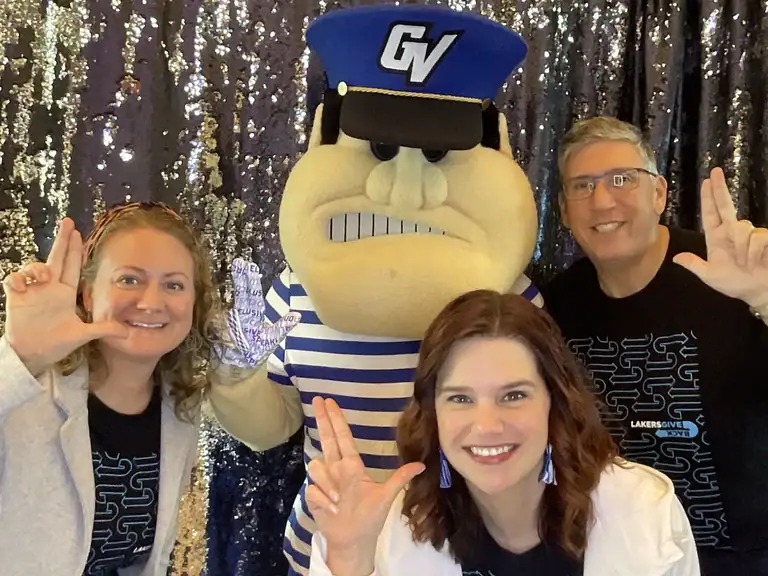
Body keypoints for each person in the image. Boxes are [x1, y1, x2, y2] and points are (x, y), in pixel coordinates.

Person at [203, 6, 544, 574]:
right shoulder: (294, 295)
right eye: (380, 149)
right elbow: (276, 426)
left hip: (461, 554)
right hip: (328, 549)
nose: (403, 192)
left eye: (436, 153)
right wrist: (239, 377)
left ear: (499, 146)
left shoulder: (513, 306)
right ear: (321, 135)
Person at [303, 290, 699, 575]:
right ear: (433, 414)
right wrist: (350, 561)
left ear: (554, 402)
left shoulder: (645, 513)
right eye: (460, 399)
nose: (487, 425)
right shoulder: (391, 532)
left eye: (513, 395)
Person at [0, 202, 296, 575]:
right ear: (88, 294)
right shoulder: (24, 394)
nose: (151, 302)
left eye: (173, 284)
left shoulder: (178, 407)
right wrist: (20, 358)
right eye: (129, 279)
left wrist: (239, 375)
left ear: (193, 303)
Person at [541, 116, 768, 574]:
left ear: (659, 193)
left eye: (622, 179)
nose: (602, 200)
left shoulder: (730, 272)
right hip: (623, 553)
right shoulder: (556, 307)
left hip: (745, 554)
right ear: (563, 211)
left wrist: (764, 297)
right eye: (582, 186)